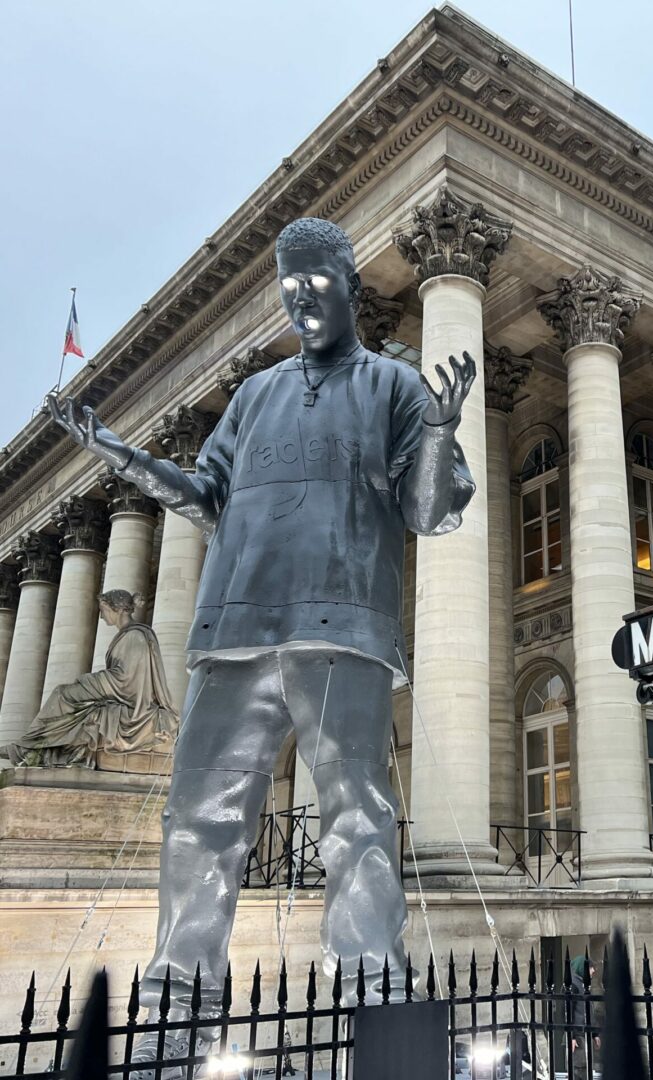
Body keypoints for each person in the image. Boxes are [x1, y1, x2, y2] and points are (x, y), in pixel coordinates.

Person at [47, 217, 476, 1028]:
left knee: (356, 812)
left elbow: (429, 512)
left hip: (342, 627)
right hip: (234, 627)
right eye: (288, 285)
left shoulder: (393, 385)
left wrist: (441, 428)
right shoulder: (253, 394)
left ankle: (370, 986)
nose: (301, 298)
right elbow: (205, 494)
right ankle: (179, 993)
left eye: (316, 281)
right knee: (197, 815)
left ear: (351, 286)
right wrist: (121, 456)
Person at [8, 589, 177, 768]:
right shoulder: (128, 635)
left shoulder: (135, 636)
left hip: (127, 693)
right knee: (71, 701)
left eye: (103, 610)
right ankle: (35, 748)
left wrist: (91, 681)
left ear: (118, 609)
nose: (102, 617)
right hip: (117, 689)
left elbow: (129, 679)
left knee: (62, 694)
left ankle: (28, 746)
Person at [569, 955, 600, 1080]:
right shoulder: (573, 985)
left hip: (584, 1034)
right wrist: (571, 1036)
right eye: (591, 967)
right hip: (578, 1036)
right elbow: (567, 1012)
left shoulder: (583, 985)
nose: (593, 970)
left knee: (585, 1070)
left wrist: (594, 1034)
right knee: (579, 1071)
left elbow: (588, 1011)